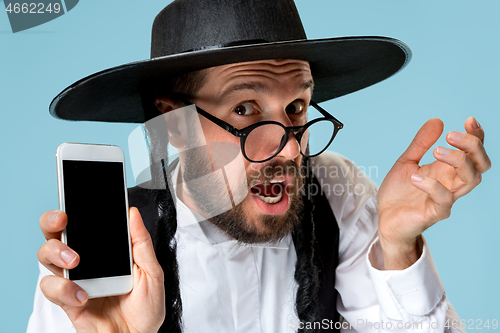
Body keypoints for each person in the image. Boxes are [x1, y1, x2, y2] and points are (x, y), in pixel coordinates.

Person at [28, 0, 491, 332]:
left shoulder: (335, 189)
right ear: (173, 123)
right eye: (245, 110)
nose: (288, 151)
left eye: (295, 107)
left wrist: (397, 248)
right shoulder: (104, 251)